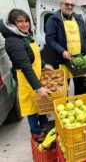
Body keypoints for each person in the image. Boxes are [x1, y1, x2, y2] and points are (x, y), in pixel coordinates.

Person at [0, 9, 52, 137]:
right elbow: (25, 66)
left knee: (40, 104)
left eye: (26, 21)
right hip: (27, 79)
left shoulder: (24, 36)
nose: (25, 24)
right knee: (31, 108)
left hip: (35, 77)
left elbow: (33, 55)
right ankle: (36, 132)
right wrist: (38, 87)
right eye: (20, 21)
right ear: (13, 24)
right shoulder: (13, 41)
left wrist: (44, 64)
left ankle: (44, 127)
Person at [45, 0, 86, 95]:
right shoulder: (53, 20)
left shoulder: (78, 19)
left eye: (72, 4)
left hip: (80, 60)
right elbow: (50, 39)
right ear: (60, 5)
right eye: (67, 4)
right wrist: (62, 51)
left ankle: (79, 105)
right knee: (63, 89)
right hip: (64, 61)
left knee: (80, 88)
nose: (70, 7)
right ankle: (64, 107)